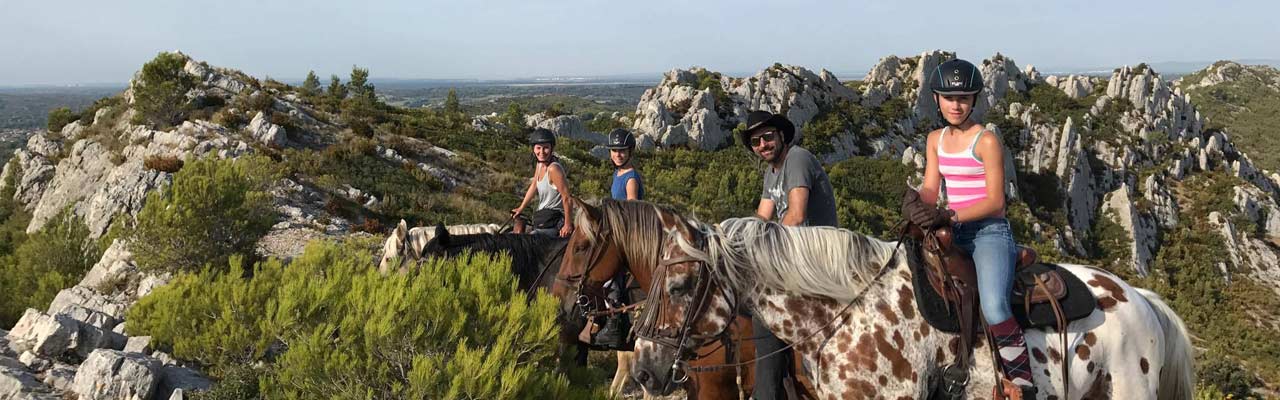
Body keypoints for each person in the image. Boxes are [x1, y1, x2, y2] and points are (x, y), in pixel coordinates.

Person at [915, 58, 1035, 399]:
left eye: (964, 98)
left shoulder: (985, 141)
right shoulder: (934, 139)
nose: (956, 105)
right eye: (949, 98)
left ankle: (1023, 382)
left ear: (975, 100)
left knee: (995, 306)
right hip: (951, 234)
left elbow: (996, 202)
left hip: (987, 232)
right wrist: (915, 204)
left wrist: (948, 215)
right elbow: (930, 187)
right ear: (936, 98)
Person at [740, 110, 838, 399]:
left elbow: (795, 216)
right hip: (791, 254)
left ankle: (767, 393)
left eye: (768, 137)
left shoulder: (797, 158)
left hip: (815, 254)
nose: (763, 145)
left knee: (764, 309)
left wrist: (760, 249)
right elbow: (761, 218)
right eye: (756, 141)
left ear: (781, 136)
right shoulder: (771, 173)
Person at [593, 128, 644, 349]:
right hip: (616, 232)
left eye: (622, 151)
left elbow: (631, 211)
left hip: (627, 235)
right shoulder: (617, 174)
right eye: (614, 151)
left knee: (612, 276)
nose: (617, 155)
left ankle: (614, 326)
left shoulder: (631, 178)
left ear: (629, 151)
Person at [512, 128, 574, 237]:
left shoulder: (554, 169)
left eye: (546, 148)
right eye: (538, 148)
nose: (541, 152)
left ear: (551, 148)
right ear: (533, 149)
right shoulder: (540, 164)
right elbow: (534, 185)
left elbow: (567, 198)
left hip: (553, 220)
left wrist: (567, 224)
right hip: (542, 216)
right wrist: (521, 208)